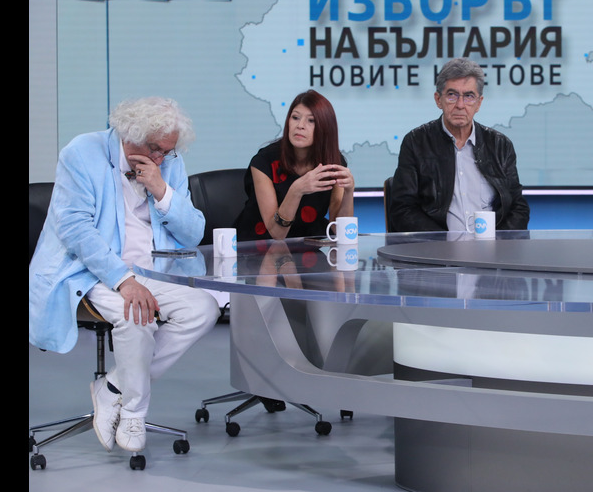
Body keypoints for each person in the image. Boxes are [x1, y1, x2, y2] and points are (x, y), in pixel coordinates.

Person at [28, 97, 220, 453]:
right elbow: (75, 230)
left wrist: (161, 190)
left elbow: (193, 233)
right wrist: (123, 280)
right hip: (88, 270)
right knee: (136, 316)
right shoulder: (81, 153)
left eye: (168, 151)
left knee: (204, 309)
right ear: (130, 135)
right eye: (155, 149)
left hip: (151, 271)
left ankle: (113, 387)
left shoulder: (168, 164)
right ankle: (133, 412)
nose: (161, 158)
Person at [390, 57, 529, 232]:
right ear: (438, 100)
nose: (460, 105)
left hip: (491, 246)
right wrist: (444, 242)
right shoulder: (416, 143)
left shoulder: (500, 146)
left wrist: (498, 242)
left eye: (469, 96)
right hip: (437, 247)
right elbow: (403, 209)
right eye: (452, 95)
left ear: (479, 103)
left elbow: (518, 207)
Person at [234, 90, 354, 241]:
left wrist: (349, 191)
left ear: (325, 127)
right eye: (295, 117)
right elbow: (277, 233)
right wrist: (297, 190)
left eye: (311, 121)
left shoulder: (333, 163)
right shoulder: (264, 161)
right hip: (257, 246)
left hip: (306, 247)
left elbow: (339, 229)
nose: (300, 125)